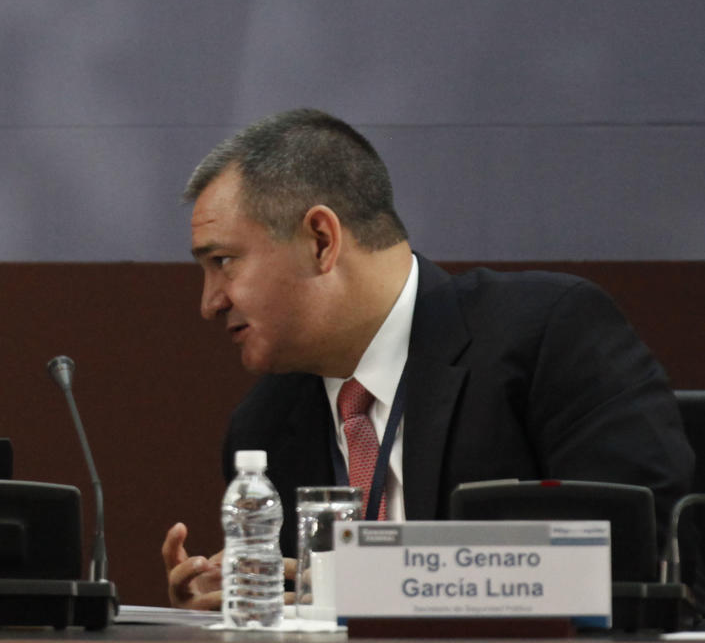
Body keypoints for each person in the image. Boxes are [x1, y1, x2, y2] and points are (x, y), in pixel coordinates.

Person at [162, 108, 693, 610]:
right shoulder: (264, 426)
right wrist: (234, 610)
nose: (209, 302)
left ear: (321, 241)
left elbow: (629, 551)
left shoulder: (547, 335)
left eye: (224, 262)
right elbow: (303, 607)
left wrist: (367, 585)